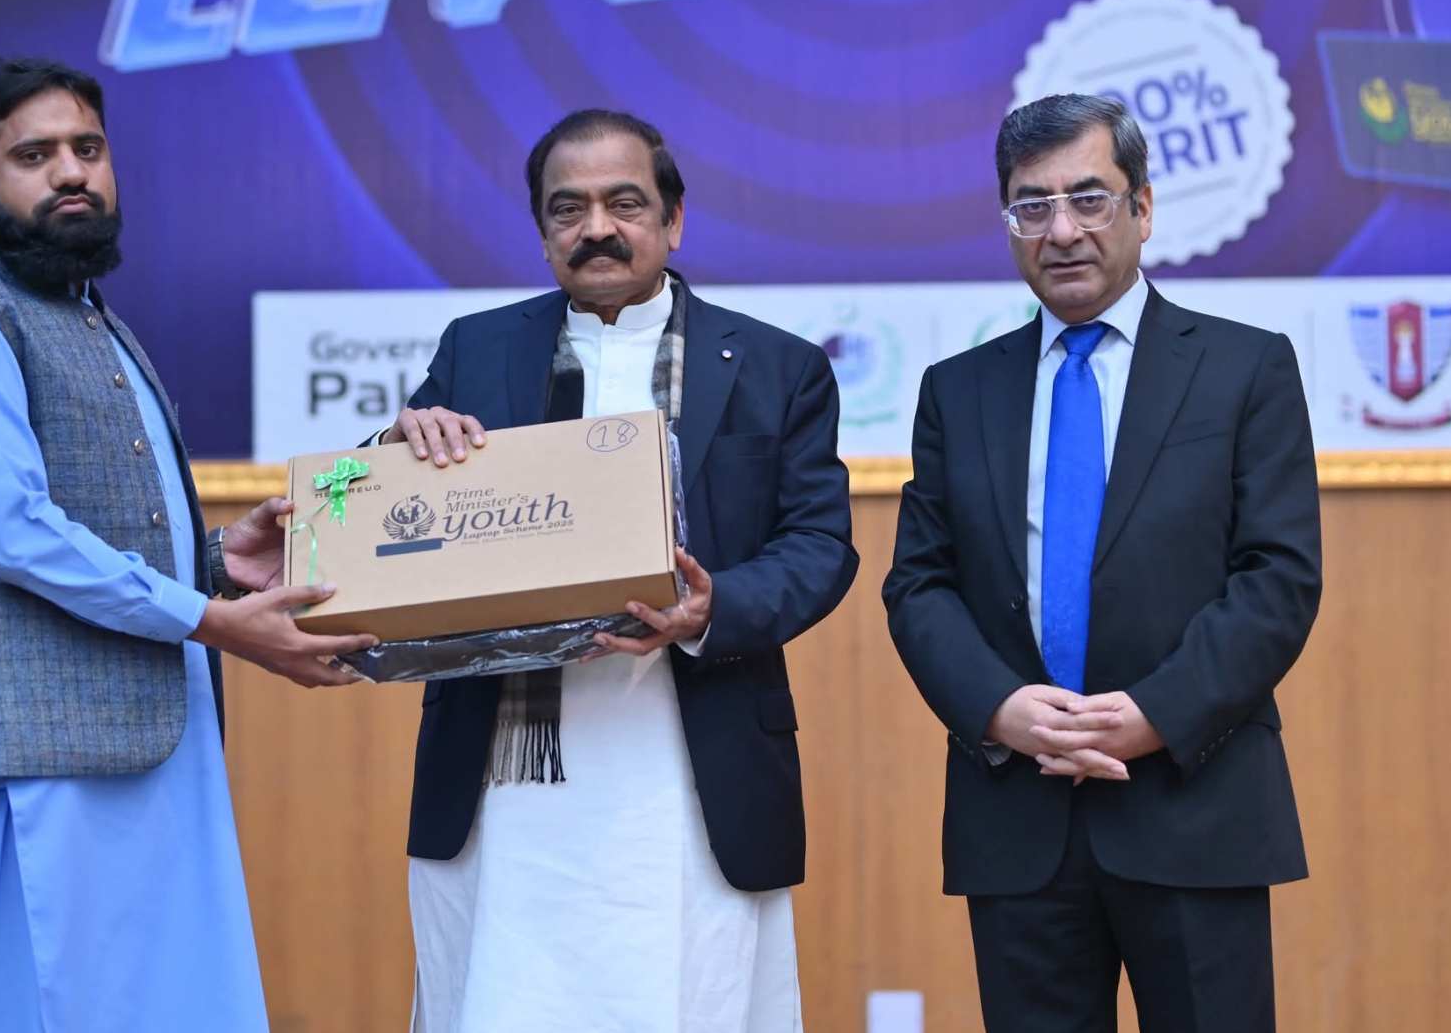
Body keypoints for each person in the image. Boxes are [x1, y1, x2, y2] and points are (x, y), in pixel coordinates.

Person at [0, 56, 375, 1031]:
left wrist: (219, 561)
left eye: (88, 149)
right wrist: (217, 621)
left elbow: (108, 529)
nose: (72, 172)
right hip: (36, 762)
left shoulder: (101, 324)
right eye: (34, 156)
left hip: (161, 752)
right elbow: (15, 534)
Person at [385, 109, 859, 1032]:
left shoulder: (777, 366)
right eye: (568, 209)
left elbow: (819, 546)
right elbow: (397, 509)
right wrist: (394, 444)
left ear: (673, 220)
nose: (596, 228)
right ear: (542, 233)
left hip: (692, 760)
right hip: (506, 775)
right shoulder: (476, 349)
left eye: (625, 203)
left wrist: (714, 607)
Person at [882, 93, 1322, 1033]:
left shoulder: (1244, 368)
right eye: (1031, 206)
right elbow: (919, 585)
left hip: (1195, 803)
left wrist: (1156, 714)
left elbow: (1278, 578)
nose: (1062, 230)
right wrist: (999, 709)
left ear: (1143, 208)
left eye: (1089, 198)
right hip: (1019, 814)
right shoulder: (958, 391)